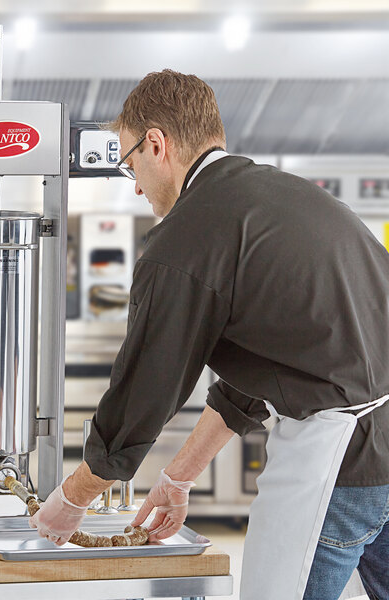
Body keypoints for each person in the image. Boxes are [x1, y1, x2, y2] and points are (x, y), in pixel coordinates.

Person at [29, 69, 389, 600]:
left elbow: (145, 392)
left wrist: (73, 498)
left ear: (157, 144)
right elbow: (268, 367)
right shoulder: (286, 198)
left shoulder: (187, 236)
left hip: (340, 466)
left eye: (129, 162)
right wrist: (178, 477)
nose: (134, 183)